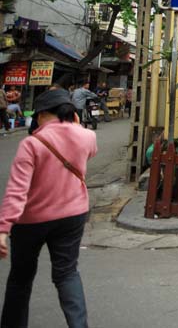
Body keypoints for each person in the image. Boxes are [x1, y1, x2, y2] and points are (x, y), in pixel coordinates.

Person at [0, 87, 97, 327]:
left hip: (31, 221)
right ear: (71, 113)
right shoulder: (87, 137)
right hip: (73, 216)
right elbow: (88, 154)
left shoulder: (31, 143)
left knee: (20, 279)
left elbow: (17, 190)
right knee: (67, 273)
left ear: (41, 114)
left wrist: (4, 228)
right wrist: (74, 125)